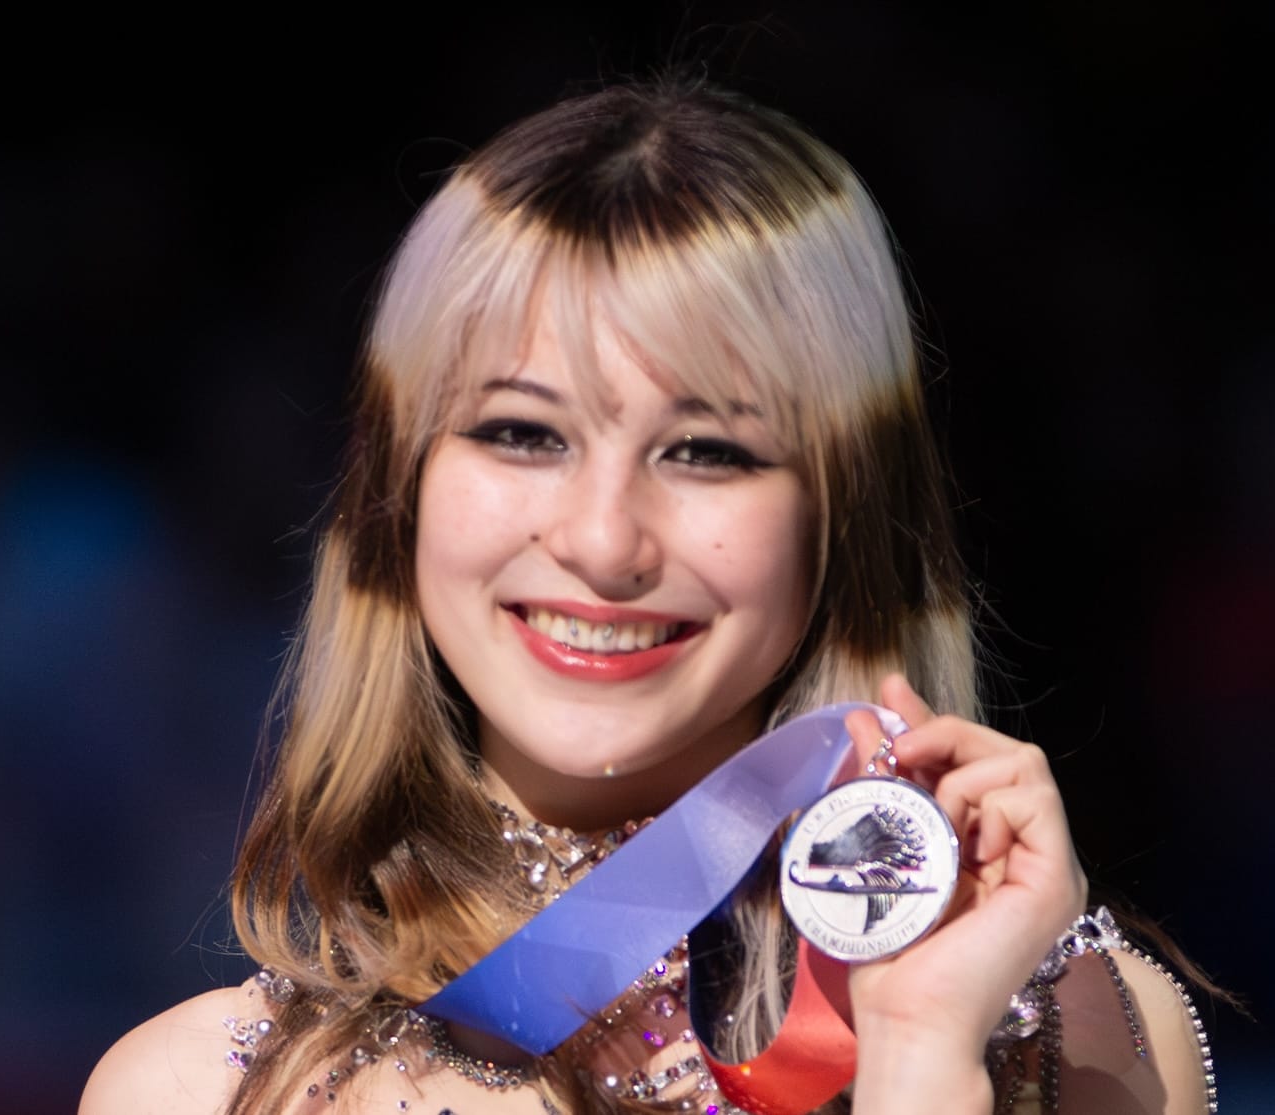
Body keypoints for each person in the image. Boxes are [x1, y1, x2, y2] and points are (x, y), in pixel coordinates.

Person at [80, 80, 1216, 1114]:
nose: (602, 539)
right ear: (399, 494)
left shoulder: (1077, 1041)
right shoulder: (198, 1089)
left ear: (843, 511)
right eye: (522, 432)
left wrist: (920, 1054)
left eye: (707, 450)